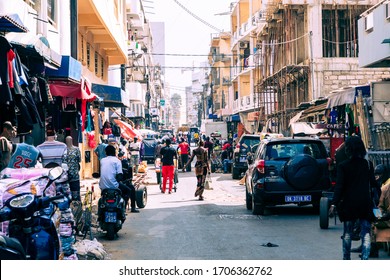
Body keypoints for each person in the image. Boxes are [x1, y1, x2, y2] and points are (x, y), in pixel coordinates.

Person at [330, 136, 379, 260]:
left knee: (347, 232)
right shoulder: (368, 164)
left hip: (349, 203)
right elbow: (373, 184)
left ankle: (346, 259)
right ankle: (365, 258)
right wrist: (377, 200)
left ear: (348, 150)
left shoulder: (343, 166)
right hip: (365, 202)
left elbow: (339, 187)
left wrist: (334, 204)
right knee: (366, 232)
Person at [99, 145, 137, 220]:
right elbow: (120, 175)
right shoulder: (117, 161)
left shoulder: (102, 160)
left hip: (102, 186)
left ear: (106, 153)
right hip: (114, 185)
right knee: (128, 190)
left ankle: (100, 214)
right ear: (114, 152)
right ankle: (124, 208)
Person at [63, 136, 81, 201]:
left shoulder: (76, 149)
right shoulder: (63, 150)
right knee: (66, 196)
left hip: (74, 175)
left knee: (75, 195)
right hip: (65, 176)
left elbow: (79, 160)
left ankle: (77, 208)